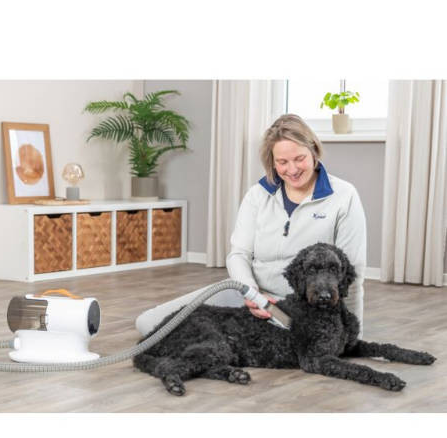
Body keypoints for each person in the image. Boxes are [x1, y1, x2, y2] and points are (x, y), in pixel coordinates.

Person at [136, 114, 366, 336]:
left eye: (299, 159)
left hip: (303, 308)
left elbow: (353, 271)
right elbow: (239, 254)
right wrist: (250, 291)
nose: (292, 169)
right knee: (150, 324)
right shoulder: (258, 195)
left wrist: (352, 334)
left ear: (314, 151)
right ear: (272, 162)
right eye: (282, 162)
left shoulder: (343, 196)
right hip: (250, 295)